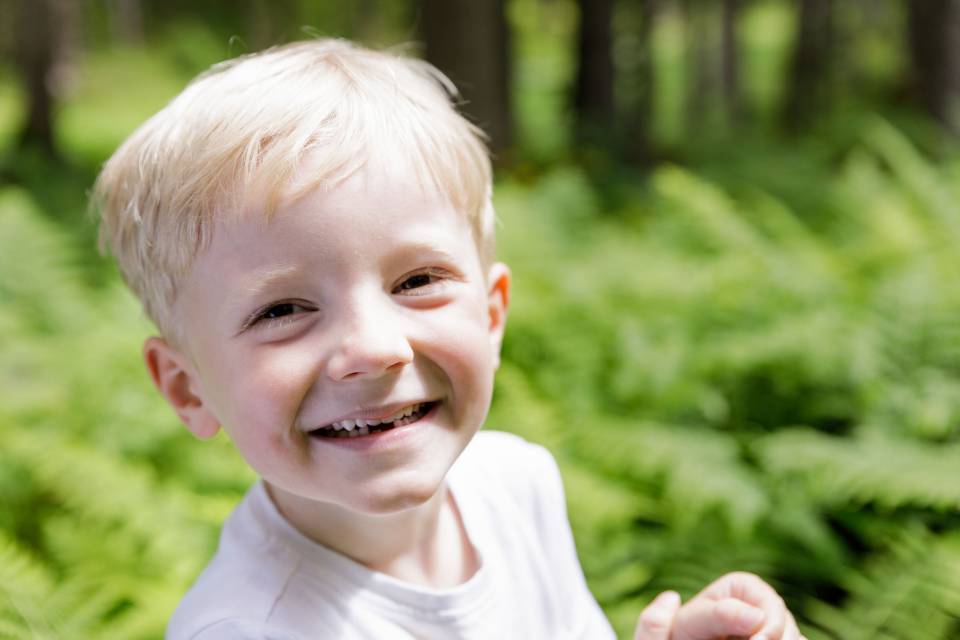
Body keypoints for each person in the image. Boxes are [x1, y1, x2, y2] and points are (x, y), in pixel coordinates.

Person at [93, 39, 804, 640]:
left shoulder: (516, 487)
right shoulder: (248, 628)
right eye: (282, 310)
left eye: (417, 281)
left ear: (492, 316)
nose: (375, 348)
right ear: (187, 388)